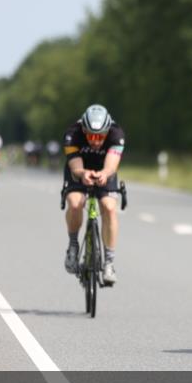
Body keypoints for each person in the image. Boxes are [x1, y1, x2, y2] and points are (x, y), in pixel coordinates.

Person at [62, 104, 125, 285]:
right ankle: (73, 246)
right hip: (79, 170)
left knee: (109, 207)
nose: (95, 141)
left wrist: (105, 173)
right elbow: (75, 166)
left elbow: (111, 165)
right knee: (75, 203)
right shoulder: (72, 134)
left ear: (107, 131)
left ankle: (109, 263)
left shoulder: (116, 134)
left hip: (104, 169)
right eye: (90, 136)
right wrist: (82, 174)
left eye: (100, 137)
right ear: (83, 129)